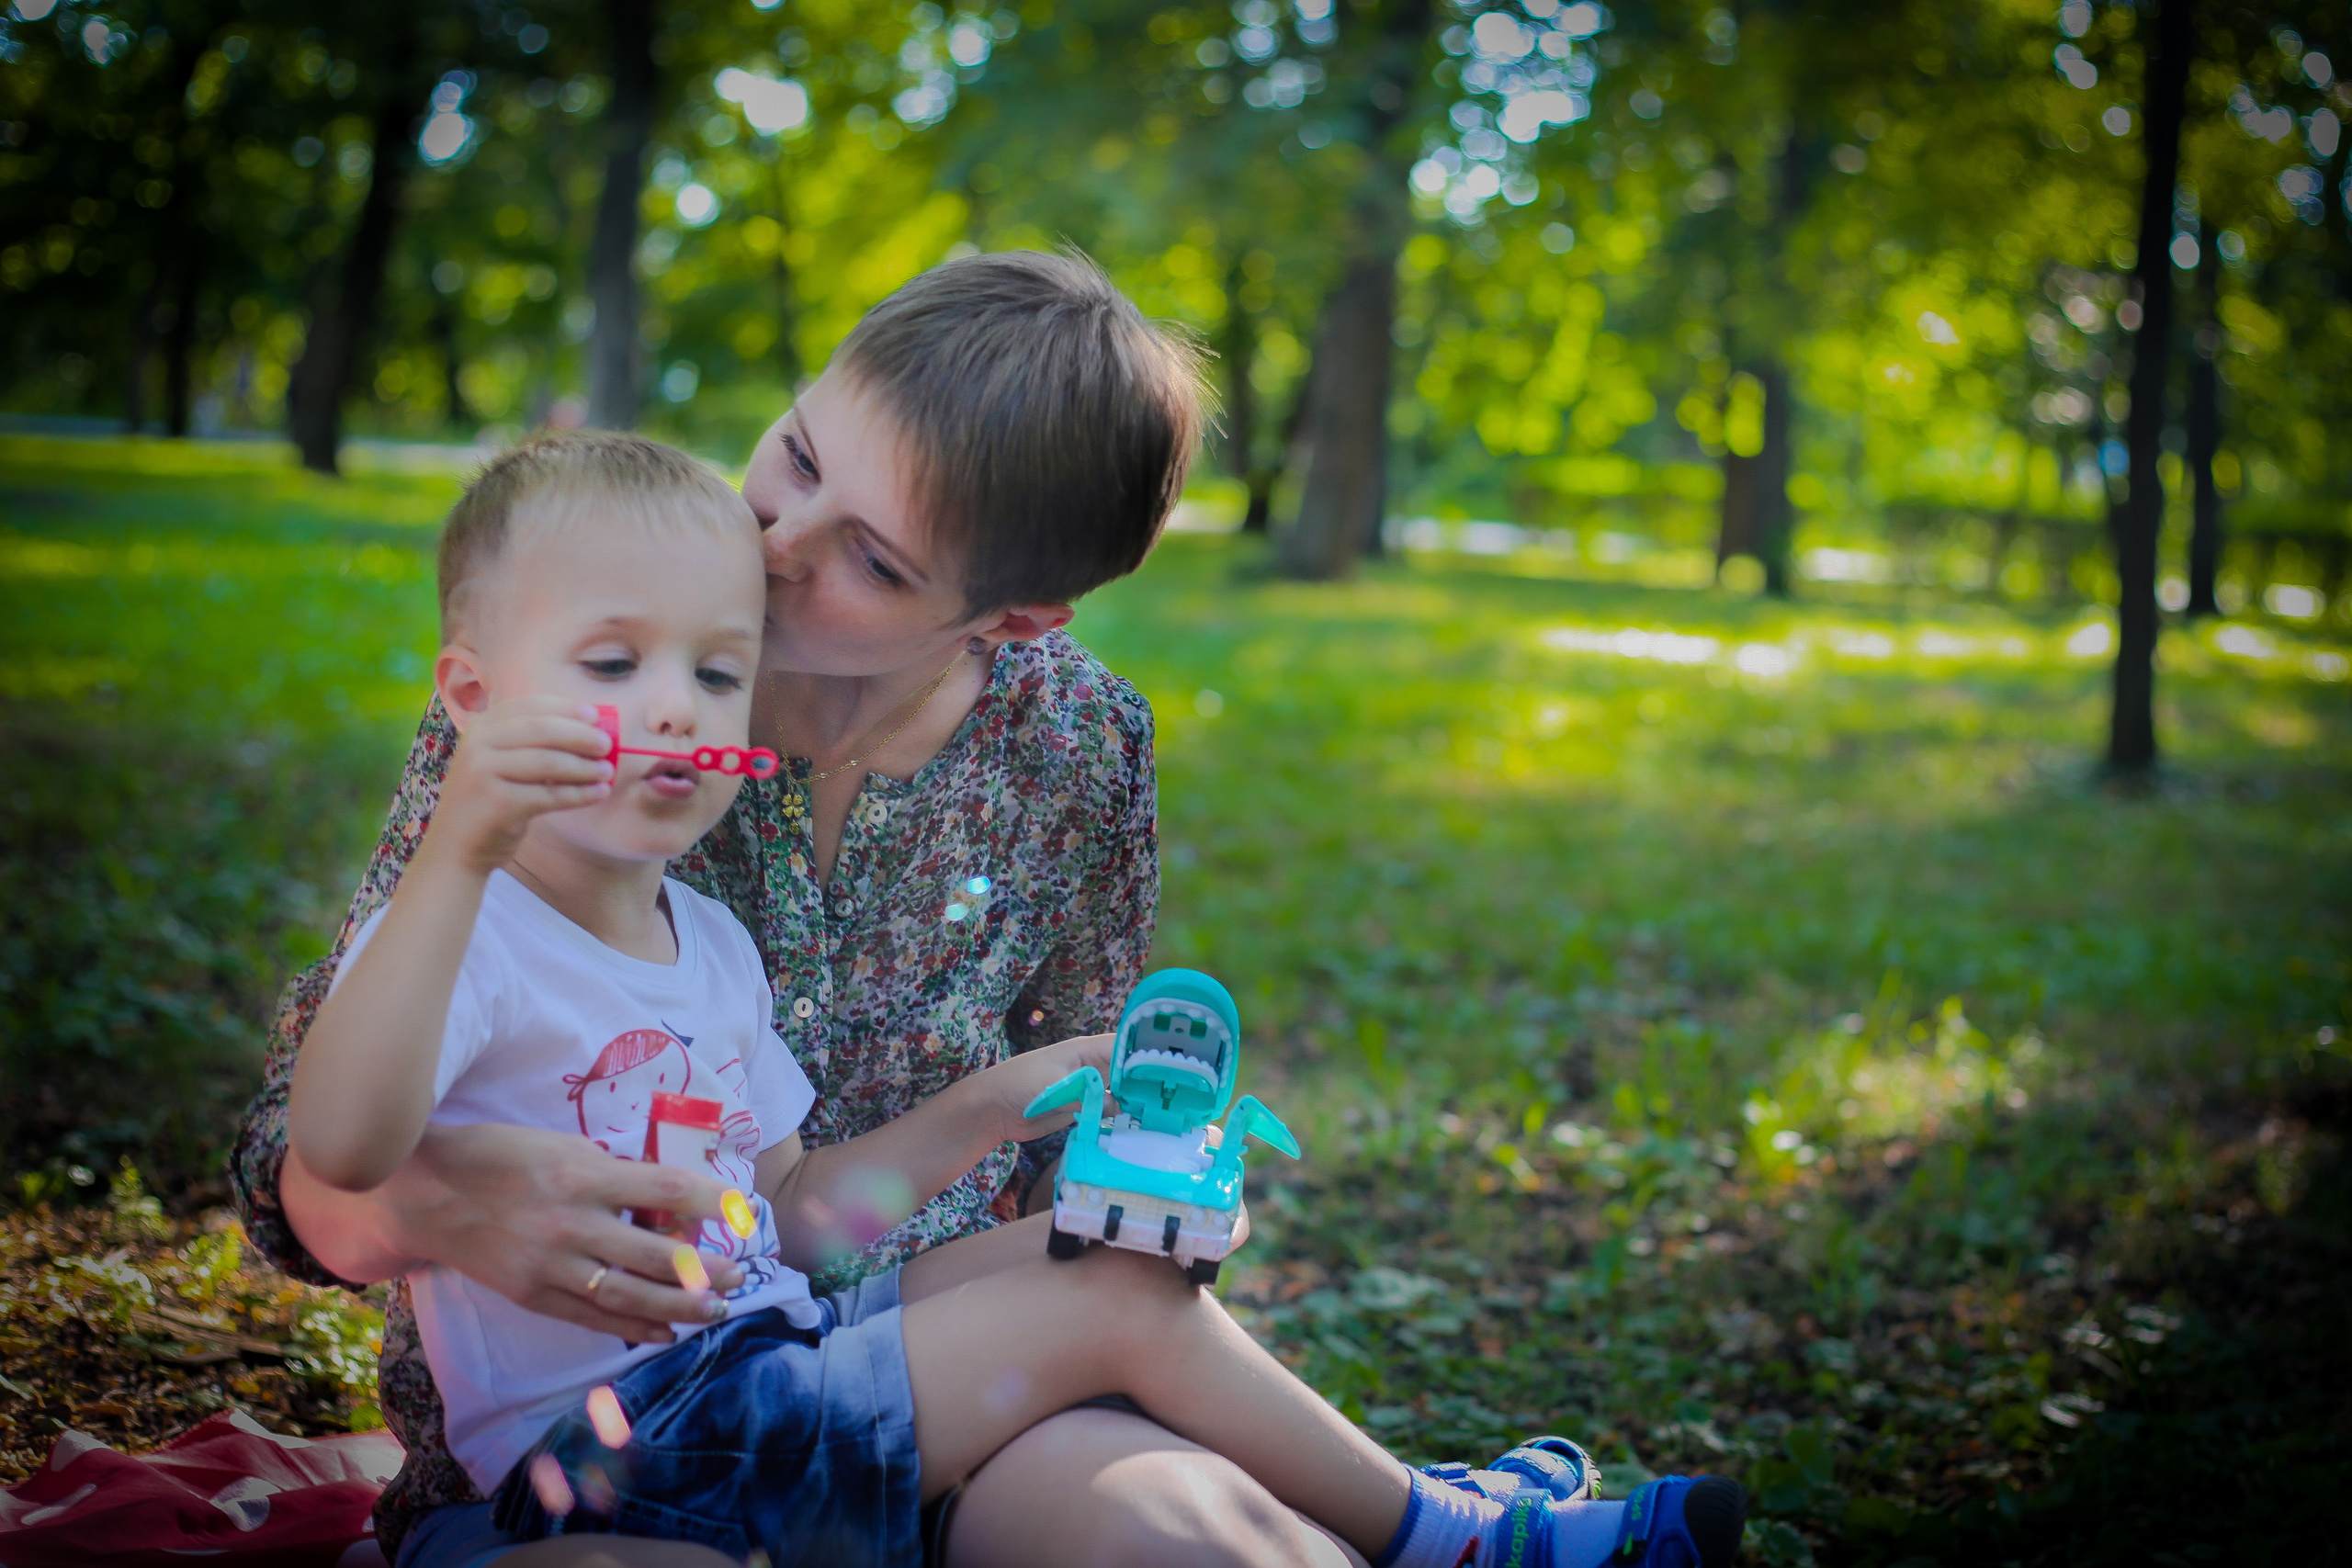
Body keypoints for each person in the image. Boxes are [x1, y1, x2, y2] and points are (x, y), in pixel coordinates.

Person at [287, 429, 1746, 1568]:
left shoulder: (708, 946)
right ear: (468, 698)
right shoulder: (464, 928)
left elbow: (796, 1218)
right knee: (1104, 1305)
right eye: (616, 666)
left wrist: (1004, 1099)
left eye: (719, 674)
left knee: (1094, 1251)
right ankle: (1447, 1533)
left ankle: (1406, 1517)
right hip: (602, 1453)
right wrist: (460, 843)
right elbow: (342, 1146)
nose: (677, 706)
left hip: (764, 1375)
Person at [232, 250, 1400, 1566]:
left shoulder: (1073, 749)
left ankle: (1497, 1538)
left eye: (877, 561)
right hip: (604, 1456)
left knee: (1188, 1546)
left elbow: (924, 1202)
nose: (776, 546)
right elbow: (310, 1163)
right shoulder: (574, 684)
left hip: (917, 1371)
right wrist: (428, 1208)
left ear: (1011, 618)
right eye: (794, 459)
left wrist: (1130, 1180)